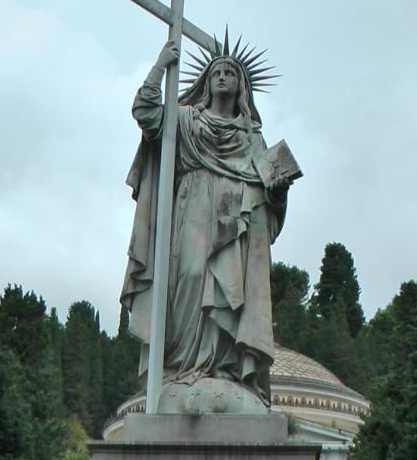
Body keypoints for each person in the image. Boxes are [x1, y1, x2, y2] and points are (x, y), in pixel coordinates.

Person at [120, 39, 292, 406]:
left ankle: (226, 370)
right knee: (192, 277)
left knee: (230, 293)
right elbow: (147, 113)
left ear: (241, 86)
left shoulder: (251, 138)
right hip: (193, 209)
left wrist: (277, 191)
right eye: (217, 72)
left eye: (231, 72)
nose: (223, 77)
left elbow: (270, 195)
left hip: (236, 220)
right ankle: (181, 366)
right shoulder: (185, 120)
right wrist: (159, 66)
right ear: (207, 80)